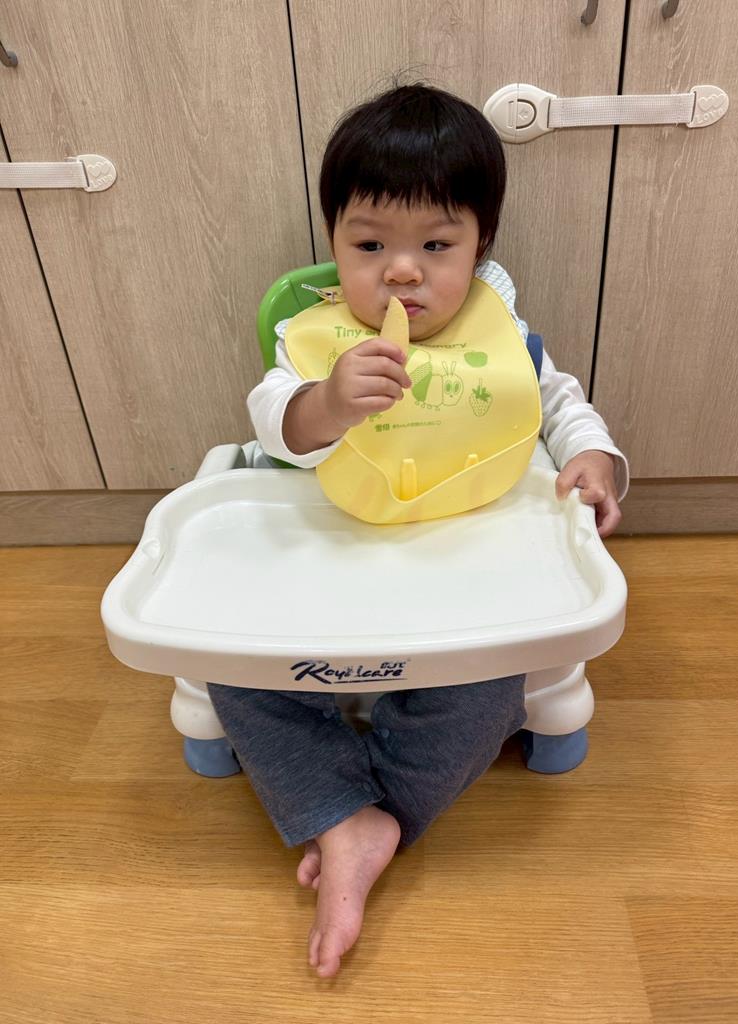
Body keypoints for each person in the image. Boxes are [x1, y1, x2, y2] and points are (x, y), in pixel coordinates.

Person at [208, 83, 629, 979]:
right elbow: (271, 422)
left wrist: (592, 459)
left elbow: (560, 405)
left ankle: (353, 816)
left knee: (494, 675)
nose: (401, 273)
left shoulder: (503, 340)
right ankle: (357, 813)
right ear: (333, 245)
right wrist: (324, 404)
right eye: (370, 246)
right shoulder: (311, 343)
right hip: (326, 569)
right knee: (229, 665)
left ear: (481, 249)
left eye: (436, 246)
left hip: (465, 572)